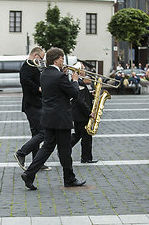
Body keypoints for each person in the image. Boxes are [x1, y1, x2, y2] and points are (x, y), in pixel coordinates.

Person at [21, 47, 86, 190]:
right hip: (61, 118)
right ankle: (69, 178)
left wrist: (64, 76)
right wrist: (75, 80)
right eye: (62, 58)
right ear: (56, 59)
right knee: (65, 149)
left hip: (48, 117)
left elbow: (57, 91)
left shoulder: (44, 74)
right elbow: (74, 93)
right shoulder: (59, 76)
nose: (63, 61)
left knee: (47, 147)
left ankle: (29, 174)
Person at [13, 47, 50, 171]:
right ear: (35, 55)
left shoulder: (32, 66)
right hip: (32, 105)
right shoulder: (27, 66)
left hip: (34, 104)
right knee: (43, 133)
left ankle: (37, 163)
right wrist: (38, 88)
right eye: (41, 58)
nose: (41, 60)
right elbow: (24, 81)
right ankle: (21, 153)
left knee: (36, 133)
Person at [70, 62, 97, 163]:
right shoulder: (78, 83)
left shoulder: (80, 82)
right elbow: (80, 100)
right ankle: (86, 157)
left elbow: (83, 97)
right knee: (85, 135)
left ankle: (85, 157)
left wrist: (90, 94)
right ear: (78, 71)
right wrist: (89, 112)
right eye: (83, 69)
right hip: (81, 114)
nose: (84, 71)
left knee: (79, 134)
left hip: (79, 114)